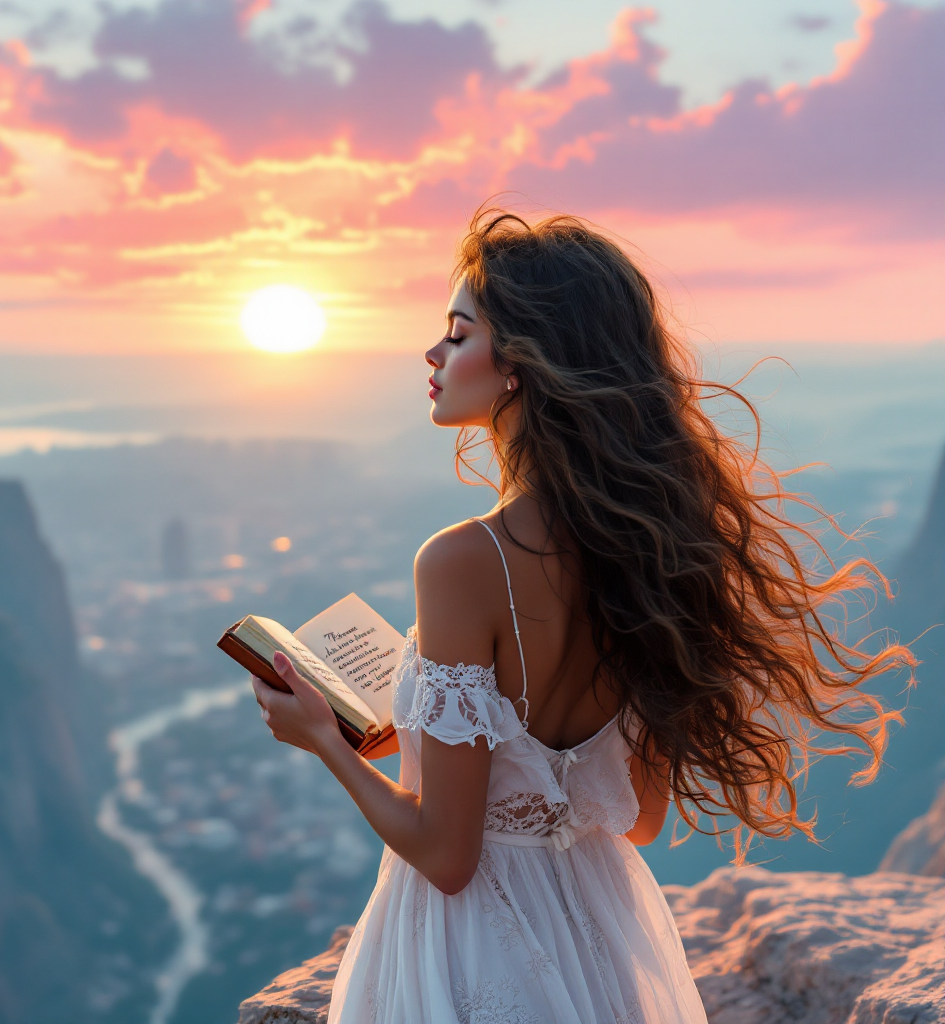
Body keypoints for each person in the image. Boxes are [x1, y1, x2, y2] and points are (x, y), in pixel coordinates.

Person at [251, 209, 915, 1023]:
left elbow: (448, 858)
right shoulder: (655, 550)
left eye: (458, 335)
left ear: (520, 367)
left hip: (467, 955)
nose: (433, 354)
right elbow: (638, 818)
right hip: (600, 943)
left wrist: (323, 737)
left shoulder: (463, 562)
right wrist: (435, 741)